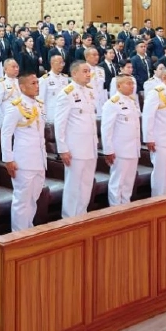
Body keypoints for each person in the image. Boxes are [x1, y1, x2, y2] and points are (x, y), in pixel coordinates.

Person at [0, 71, 46, 232]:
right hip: (23, 160)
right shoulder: (16, 106)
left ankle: (28, 230)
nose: (37, 86)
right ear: (22, 87)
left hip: (39, 159)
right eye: (33, 83)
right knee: (22, 200)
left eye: (37, 83)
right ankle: (18, 235)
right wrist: (8, 159)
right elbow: (6, 134)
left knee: (33, 199)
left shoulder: (39, 104)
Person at [53, 62, 98, 217]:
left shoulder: (90, 92)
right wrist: (63, 149)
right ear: (74, 74)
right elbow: (60, 124)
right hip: (75, 148)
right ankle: (69, 218)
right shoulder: (67, 93)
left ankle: (82, 215)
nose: (88, 74)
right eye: (85, 71)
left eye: (89, 71)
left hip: (90, 146)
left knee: (86, 184)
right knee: (73, 185)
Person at [100, 75, 142, 206]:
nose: (132, 86)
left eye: (132, 83)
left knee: (128, 183)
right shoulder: (112, 103)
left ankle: (126, 208)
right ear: (119, 86)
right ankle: (115, 210)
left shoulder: (132, 101)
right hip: (120, 149)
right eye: (128, 83)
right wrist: (108, 150)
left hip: (133, 148)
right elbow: (106, 129)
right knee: (117, 183)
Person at [142, 66, 166, 197]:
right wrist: (149, 138)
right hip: (160, 139)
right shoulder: (156, 92)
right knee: (160, 173)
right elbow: (148, 116)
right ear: (164, 78)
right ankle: (157, 201)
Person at [0, 59, 21, 123]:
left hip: (19, 117)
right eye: (13, 67)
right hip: (7, 117)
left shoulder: (19, 82)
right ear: (5, 69)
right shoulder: (0, 83)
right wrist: (1, 122)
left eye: (17, 67)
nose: (16, 69)